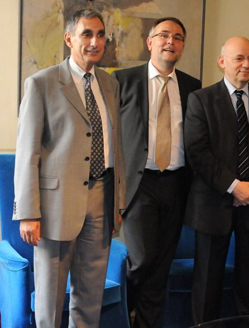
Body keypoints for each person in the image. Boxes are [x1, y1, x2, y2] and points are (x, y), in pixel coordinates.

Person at [13, 9, 125, 327]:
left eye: (101, 34)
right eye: (87, 34)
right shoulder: (41, 84)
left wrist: (117, 201)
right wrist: (28, 213)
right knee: (50, 300)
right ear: (69, 38)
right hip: (55, 206)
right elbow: (27, 152)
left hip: (102, 200)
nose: (95, 41)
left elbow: (116, 145)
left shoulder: (110, 85)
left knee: (90, 297)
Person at [184, 36, 249, 324]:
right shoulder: (200, 99)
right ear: (222, 62)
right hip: (212, 205)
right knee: (207, 284)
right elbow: (197, 152)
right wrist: (234, 186)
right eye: (239, 58)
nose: (247, 64)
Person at [112, 17, 201, 328]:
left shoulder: (193, 87)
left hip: (176, 184)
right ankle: (122, 314)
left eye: (177, 37)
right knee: (141, 260)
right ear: (150, 42)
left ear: (182, 46)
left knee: (161, 266)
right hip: (140, 184)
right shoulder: (122, 81)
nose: (170, 42)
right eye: (163, 35)